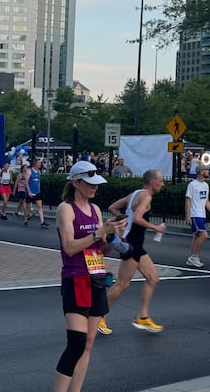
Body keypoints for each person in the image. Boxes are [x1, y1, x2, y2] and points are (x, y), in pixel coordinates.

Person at [53, 161, 125, 392]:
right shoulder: (66, 209)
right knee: (76, 343)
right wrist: (100, 232)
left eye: (96, 184)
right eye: (89, 183)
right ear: (75, 182)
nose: (94, 188)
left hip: (96, 277)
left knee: (89, 343)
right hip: (75, 277)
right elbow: (70, 247)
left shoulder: (94, 210)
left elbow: (102, 249)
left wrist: (113, 237)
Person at [98, 169, 167, 335]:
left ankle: (142, 316)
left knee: (153, 278)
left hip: (134, 243)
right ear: (152, 183)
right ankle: (98, 316)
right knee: (123, 283)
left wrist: (123, 218)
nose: (163, 184)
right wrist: (155, 227)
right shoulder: (147, 197)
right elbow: (137, 218)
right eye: (161, 181)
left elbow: (113, 207)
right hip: (132, 245)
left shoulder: (135, 194)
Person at [185, 164, 210, 268]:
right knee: (204, 235)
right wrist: (188, 215)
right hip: (195, 214)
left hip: (202, 214)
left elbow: (206, 201)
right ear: (200, 172)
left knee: (197, 236)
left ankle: (192, 257)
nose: (208, 172)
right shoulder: (192, 185)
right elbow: (188, 200)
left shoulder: (206, 185)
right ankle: (194, 257)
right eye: (206, 170)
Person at [25, 159, 50, 228]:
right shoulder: (29, 171)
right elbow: (26, 182)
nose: (40, 164)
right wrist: (29, 191)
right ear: (35, 164)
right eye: (39, 163)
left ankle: (42, 222)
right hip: (30, 191)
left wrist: (39, 190)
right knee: (28, 206)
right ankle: (25, 219)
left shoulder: (39, 172)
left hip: (37, 191)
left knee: (40, 206)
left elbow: (38, 181)